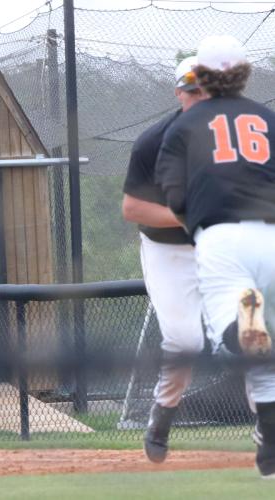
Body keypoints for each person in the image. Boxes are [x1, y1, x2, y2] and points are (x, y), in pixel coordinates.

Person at [156, 34, 275, 479]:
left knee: (240, 334)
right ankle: (269, 448)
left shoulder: (185, 125)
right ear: (244, 74)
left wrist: (199, 228)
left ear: (200, 76)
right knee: (264, 355)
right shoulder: (267, 118)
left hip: (223, 237)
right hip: (272, 235)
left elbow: (174, 193)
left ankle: (242, 323)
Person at [122, 56, 206, 463]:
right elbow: (133, 208)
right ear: (179, 93)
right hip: (169, 250)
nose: (200, 97)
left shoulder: (246, 140)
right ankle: (163, 415)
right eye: (191, 89)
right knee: (186, 341)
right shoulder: (154, 142)